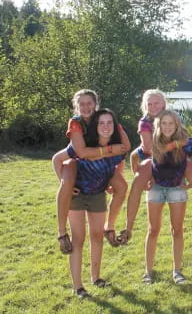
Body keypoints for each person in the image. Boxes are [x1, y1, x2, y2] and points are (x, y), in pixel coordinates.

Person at [53, 90, 130, 254]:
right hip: (76, 158)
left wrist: (112, 154)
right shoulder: (76, 123)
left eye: (89, 103)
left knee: (122, 186)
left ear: (96, 104)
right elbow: (79, 153)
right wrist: (110, 149)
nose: (86, 107)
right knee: (66, 183)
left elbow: (125, 147)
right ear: (76, 106)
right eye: (81, 104)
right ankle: (61, 232)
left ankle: (109, 226)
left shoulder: (103, 119)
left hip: (102, 164)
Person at [66, 109, 126, 298]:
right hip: (76, 195)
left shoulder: (118, 149)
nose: (106, 127)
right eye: (101, 123)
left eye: (110, 123)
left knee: (97, 237)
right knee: (78, 239)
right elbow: (59, 161)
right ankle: (78, 287)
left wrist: (111, 181)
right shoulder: (85, 146)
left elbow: (119, 166)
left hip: (97, 195)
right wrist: (65, 182)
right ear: (95, 125)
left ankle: (96, 277)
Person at [130, 89, 192, 233]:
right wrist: (174, 145)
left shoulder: (173, 116)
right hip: (153, 157)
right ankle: (128, 228)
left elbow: (184, 138)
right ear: (145, 106)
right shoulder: (145, 122)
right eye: (149, 104)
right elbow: (149, 149)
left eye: (156, 103)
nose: (153, 106)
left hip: (176, 158)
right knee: (137, 179)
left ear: (164, 103)